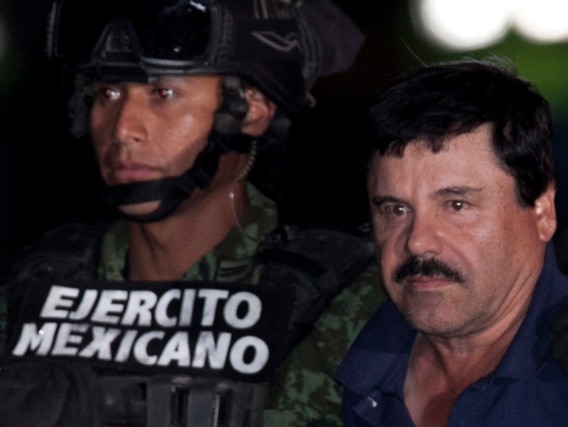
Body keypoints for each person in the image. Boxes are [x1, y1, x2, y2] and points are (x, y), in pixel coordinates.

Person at [0, 0, 387, 426]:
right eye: (108, 93)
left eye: (163, 93)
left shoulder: (344, 299)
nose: (123, 127)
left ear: (252, 109)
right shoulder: (34, 285)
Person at [336, 58, 568, 426]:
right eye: (396, 209)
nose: (417, 242)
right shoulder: (339, 357)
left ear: (541, 209)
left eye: (457, 205)